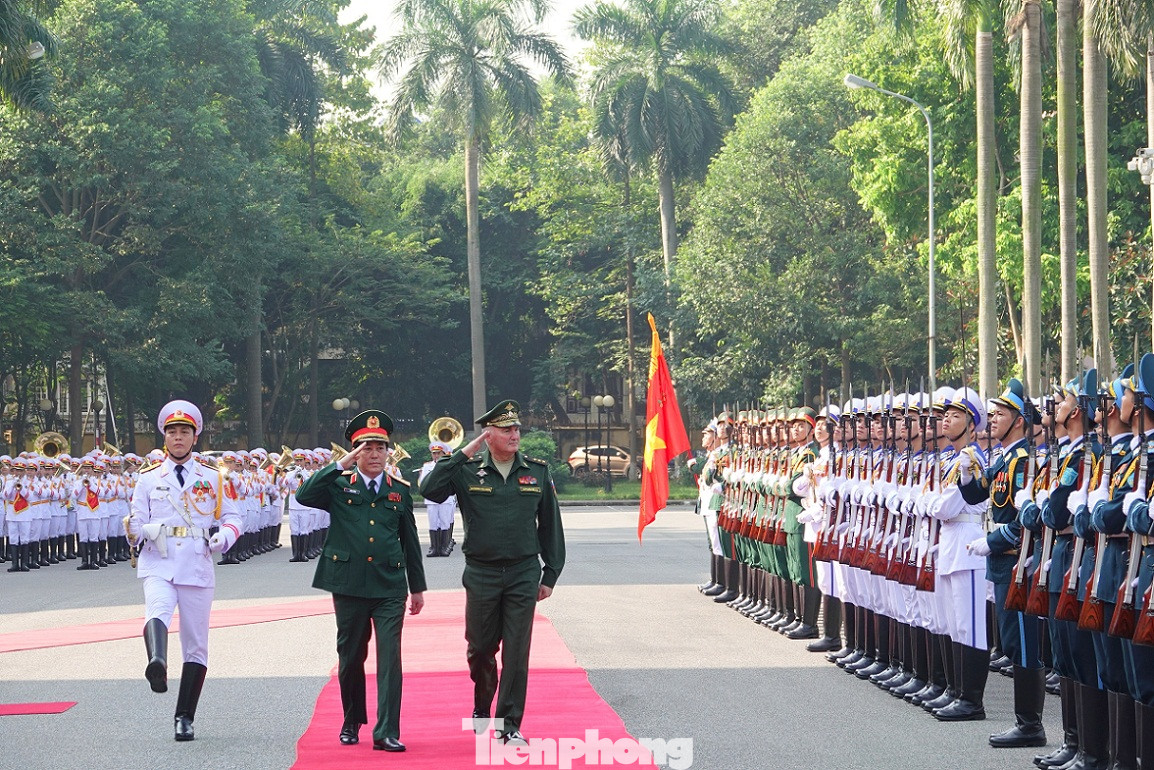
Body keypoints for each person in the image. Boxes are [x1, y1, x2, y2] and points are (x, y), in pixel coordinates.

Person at [419, 399, 565, 745]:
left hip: (523, 572)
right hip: (482, 573)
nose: (515, 434)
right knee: (480, 648)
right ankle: (482, 705)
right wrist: (465, 452)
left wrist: (550, 574)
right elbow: (429, 489)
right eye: (506, 429)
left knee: (516, 651)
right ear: (489, 434)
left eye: (516, 429)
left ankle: (509, 723)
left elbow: (550, 526)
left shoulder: (537, 471)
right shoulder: (467, 471)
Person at [294, 409, 427, 753]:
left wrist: (418, 587)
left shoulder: (399, 491)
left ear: (389, 452)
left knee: (390, 658)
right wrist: (339, 465)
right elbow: (304, 496)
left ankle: (386, 730)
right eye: (366, 448)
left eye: (380, 448)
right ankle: (352, 720)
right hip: (349, 584)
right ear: (355, 452)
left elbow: (410, 541)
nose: (374, 455)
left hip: (389, 586)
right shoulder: (338, 485)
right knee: (351, 656)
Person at [127, 400, 243, 742]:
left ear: (196, 437)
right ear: (164, 436)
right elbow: (135, 521)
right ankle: (158, 664)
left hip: (196, 561)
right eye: (172, 431)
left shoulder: (213, 477)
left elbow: (234, 517)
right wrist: (140, 530)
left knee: (195, 645)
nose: (178, 437)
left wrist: (224, 536)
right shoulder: (148, 479)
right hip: (158, 560)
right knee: (157, 609)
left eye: (185, 431)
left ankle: (184, 717)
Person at [419, 441, 457, 557]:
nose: (436, 456)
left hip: (445, 498)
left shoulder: (448, 465)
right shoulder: (427, 466)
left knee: (445, 522)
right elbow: (422, 482)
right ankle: (434, 547)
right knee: (433, 523)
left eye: (438, 453)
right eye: (434, 453)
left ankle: (444, 547)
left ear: (443, 454)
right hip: (431, 499)